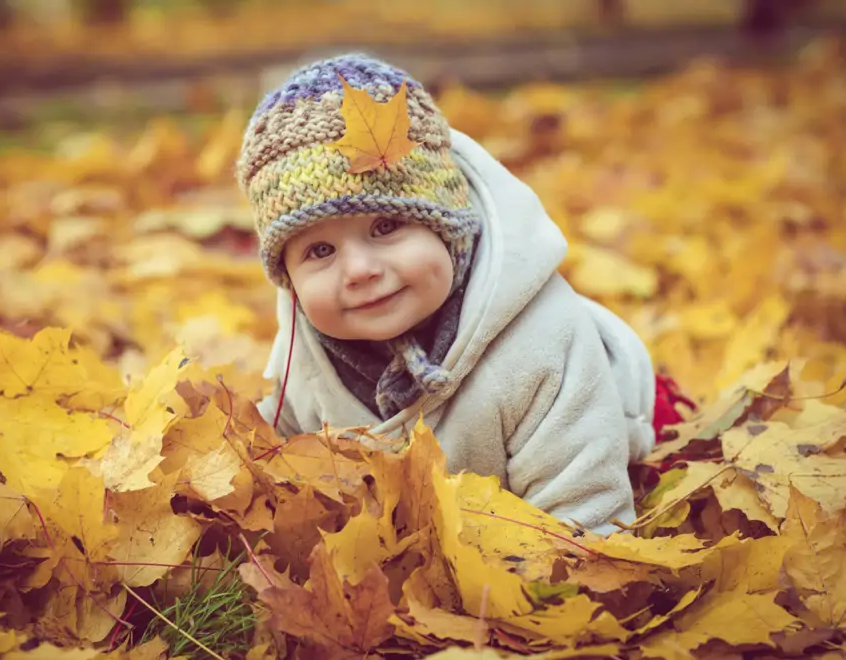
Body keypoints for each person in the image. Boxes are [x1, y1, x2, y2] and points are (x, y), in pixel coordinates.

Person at [236, 53, 662, 535]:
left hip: (597, 427)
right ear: (288, 279)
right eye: (319, 250)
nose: (358, 270)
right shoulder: (302, 366)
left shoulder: (543, 346)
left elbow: (585, 514)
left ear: (449, 227)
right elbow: (289, 478)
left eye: (385, 225)